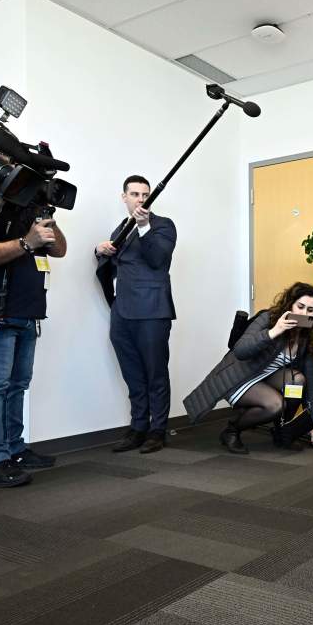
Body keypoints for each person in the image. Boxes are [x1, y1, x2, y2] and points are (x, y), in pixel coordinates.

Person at [0, 197, 67, 487]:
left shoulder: (29, 212)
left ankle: (14, 450)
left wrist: (47, 217)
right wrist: (26, 242)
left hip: (24, 314)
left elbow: (59, 250)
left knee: (17, 386)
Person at [185, 282, 313, 454]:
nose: (304, 313)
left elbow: (310, 379)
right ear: (290, 304)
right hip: (240, 377)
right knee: (276, 405)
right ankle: (232, 431)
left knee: (298, 380)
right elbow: (241, 350)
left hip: (266, 378)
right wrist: (274, 331)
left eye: (310, 310)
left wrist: (311, 423)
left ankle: (281, 432)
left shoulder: (307, 337)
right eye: (300, 307)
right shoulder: (268, 318)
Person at [97, 176, 177, 454]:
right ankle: (138, 426)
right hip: (122, 311)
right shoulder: (121, 227)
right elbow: (114, 264)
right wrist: (100, 250)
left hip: (153, 310)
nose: (141, 199)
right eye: (135, 194)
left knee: (155, 372)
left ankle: (158, 430)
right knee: (132, 373)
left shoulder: (163, 225)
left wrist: (144, 227)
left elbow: (157, 259)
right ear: (124, 197)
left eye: (145, 194)